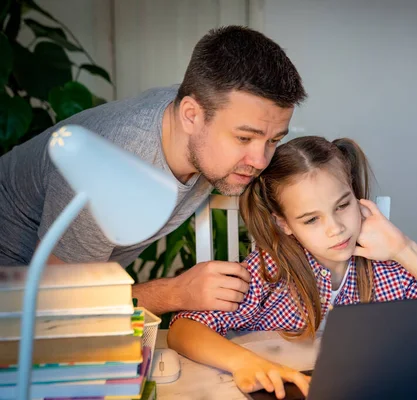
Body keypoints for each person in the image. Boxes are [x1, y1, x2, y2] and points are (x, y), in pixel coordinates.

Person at [0, 26, 307, 317]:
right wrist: (176, 292)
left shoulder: (200, 114)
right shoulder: (114, 167)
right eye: (244, 138)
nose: (259, 160)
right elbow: (55, 302)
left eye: (274, 140)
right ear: (191, 116)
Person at [167, 136, 417, 399]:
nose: (335, 229)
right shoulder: (270, 271)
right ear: (285, 224)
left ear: (355, 194)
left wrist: (404, 249)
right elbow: (182, 330)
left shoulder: (384, 268)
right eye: (311, 219)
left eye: (342, 205)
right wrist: (244, 362)